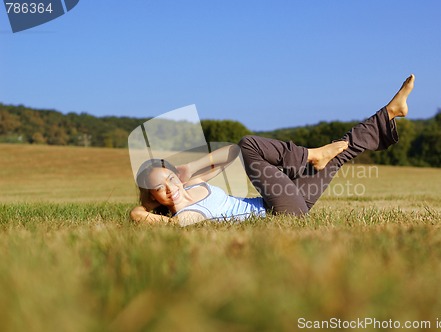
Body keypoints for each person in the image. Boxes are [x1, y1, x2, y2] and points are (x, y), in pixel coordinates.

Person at [130, 74, 415, 226]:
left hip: (286, 202)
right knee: (249, 145)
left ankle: (390, 112)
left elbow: (229, 153)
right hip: (279, 213)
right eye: (160, 187)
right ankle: (311, 155)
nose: (170, 187)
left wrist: (188, 169)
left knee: (339, 153)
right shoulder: (182, 217)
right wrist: (148, 205)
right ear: (152, 197)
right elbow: (136, 215)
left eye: (168, 177)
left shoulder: (190, 183)